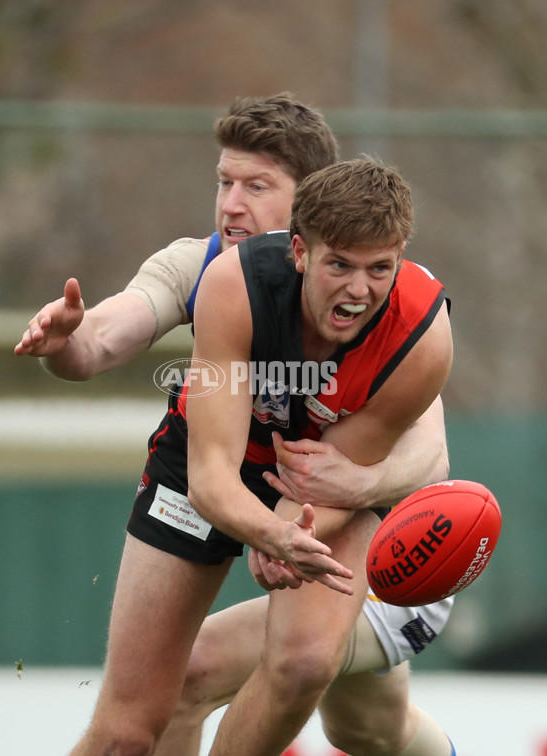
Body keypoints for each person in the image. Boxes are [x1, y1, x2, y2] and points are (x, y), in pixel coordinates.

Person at [13, 96, 452, 754]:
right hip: (226, 479)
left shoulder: (406, 314)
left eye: (256, 186)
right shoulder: (216, 270)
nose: (231, 206)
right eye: (224, 183)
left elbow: (427, 456)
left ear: (313, 206)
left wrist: (333, 504)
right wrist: (67, 346)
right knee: (132, 723)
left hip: (351, 509)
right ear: (302, 250)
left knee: (347, 703)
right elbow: (106, 339)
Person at [183, 158, 454, 755]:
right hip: (317, 535)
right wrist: (82, 341)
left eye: (379, 268)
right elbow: (145, 301)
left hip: (399, 562)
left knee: (266, 666)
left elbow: (349, 478)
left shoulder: (422, 331)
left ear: (401, 255)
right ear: (299, 251)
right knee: (369, 732)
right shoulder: (233, 280)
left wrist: (282, 534)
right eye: (340, 265)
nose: (359, 290)